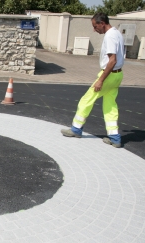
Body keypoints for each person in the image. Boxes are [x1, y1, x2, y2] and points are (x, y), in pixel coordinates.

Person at [61, 13, 125, 148]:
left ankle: (76, 129)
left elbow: (112, 61)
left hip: (109, 74)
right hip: (118, 75)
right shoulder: (117, 33)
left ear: (102, 23)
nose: (94, 29)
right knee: (110, 106)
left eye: (95, 26)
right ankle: (115, 138)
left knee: (86, 100)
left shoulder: (110, 36)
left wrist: (101, 80)